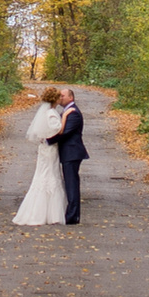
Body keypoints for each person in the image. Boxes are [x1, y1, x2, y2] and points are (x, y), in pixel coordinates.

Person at [12, 83, 66, 226]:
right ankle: (49, 214)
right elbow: (57, 129)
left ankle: (43, 212)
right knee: (50, 175)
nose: (60, 99)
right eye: (58, 97)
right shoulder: (51, 114)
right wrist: (65, 118)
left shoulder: (45, 113)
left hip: (44, 148)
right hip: (50, 149)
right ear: (54, 99)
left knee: (44, 174)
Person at [55, 86, 87, 226]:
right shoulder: (67, 111)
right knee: (69, 183)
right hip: (68, 153)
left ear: (71, 97)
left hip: (72, 153)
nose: (60, 98)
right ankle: (71, 214)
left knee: (71, 184)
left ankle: (73, 216)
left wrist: (48, 140)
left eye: (62, 96)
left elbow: (65, 133)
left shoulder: (73, 113)